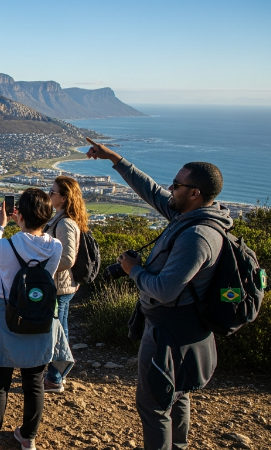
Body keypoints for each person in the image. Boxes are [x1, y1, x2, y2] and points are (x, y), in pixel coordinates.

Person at [86, 139, 229, 450]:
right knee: (177, 394)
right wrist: (115, 159)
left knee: (152, 405)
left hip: (171, 330)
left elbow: (164, 290)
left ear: (195, 193)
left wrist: (133, 270)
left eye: (177, 184)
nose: (170, 187)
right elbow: (150, 190)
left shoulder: (197, 236)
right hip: (181, 327)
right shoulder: (187, 215)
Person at [0, 188, 73, 450]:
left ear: (19, 215)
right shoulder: (56, 246)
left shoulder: (6, 245)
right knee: (34, 382)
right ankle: (28, 437)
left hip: (7, 315)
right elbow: (43, 259)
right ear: (47, 217)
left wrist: (0, 226)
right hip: (40, 316)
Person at [43, 176, 88, 393]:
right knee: (60, 329)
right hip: (59, 286)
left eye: (52, 192)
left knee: (57, 332)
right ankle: (58, 374)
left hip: (60, 287)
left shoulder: (66, 223)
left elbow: (68, 258)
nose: (49, 195)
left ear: (64, 197)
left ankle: (55, 378)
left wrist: (43, 269)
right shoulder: (60, 219)